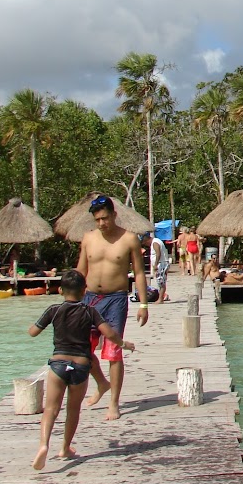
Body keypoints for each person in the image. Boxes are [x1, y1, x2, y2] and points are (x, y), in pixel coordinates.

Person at [28, 269, 136, 469]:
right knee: (73, 409)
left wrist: (39, 326)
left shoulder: (54, 310)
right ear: (85, 290)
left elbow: (33, 332)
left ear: (60, 290)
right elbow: (109, 333)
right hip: (81, 365)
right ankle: (66, 447)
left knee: (51, 409)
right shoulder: (90, 311)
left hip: (58, 365)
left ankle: (43, 445)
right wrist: (123, 344)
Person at [75, 194, 148, 421]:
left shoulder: (129, 239)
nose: (101, 224)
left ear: (114, 215)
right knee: (83, 351)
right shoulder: (88, 239)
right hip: (90, 299)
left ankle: (114, 402)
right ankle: (102, 383)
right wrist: (71, 296)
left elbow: (138, 273)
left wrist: (143, 303)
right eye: (97, 220)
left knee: (113, 352)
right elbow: (81, 269)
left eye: (105, 219)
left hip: (116, 299)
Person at [141, 232, 170, 304]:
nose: (147, 246)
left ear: (146, 240)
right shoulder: (157, 241)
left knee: (161, 282)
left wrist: (156, 264)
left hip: (161, 264)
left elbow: (158, 253)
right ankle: (161, 297)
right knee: (160, 282)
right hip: (162, 263)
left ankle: (160, 299)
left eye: (145, 244)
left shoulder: (155, 243)